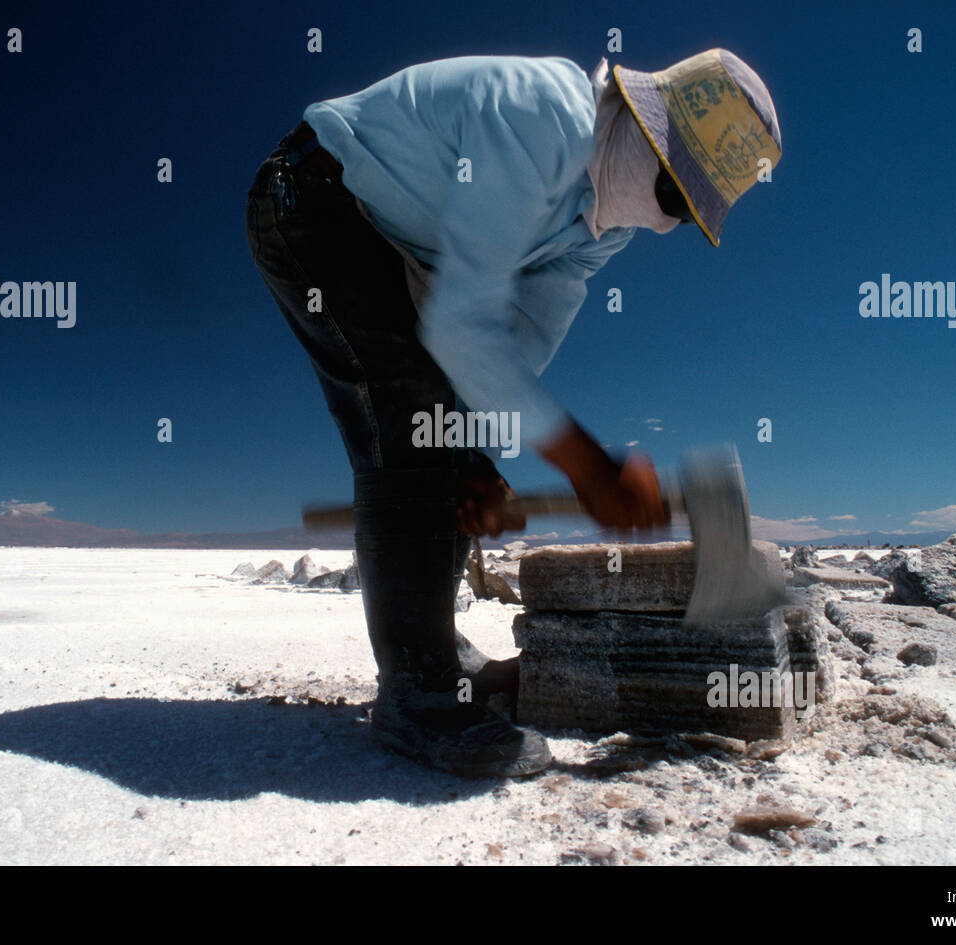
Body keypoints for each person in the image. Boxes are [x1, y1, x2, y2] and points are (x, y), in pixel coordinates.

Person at [246, 49, 781, 778]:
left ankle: (433, 649)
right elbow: (463, 327)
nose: (663, 225)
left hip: (395, 248)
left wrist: (477, 462)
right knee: (407, 420)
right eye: (669, 190)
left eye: (685, 216)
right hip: (313, 199)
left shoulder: (601, 232)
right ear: (638, 120)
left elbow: (512, 347)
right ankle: (417, 693)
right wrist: (590, 471)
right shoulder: (545, 115)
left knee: (438, 428)